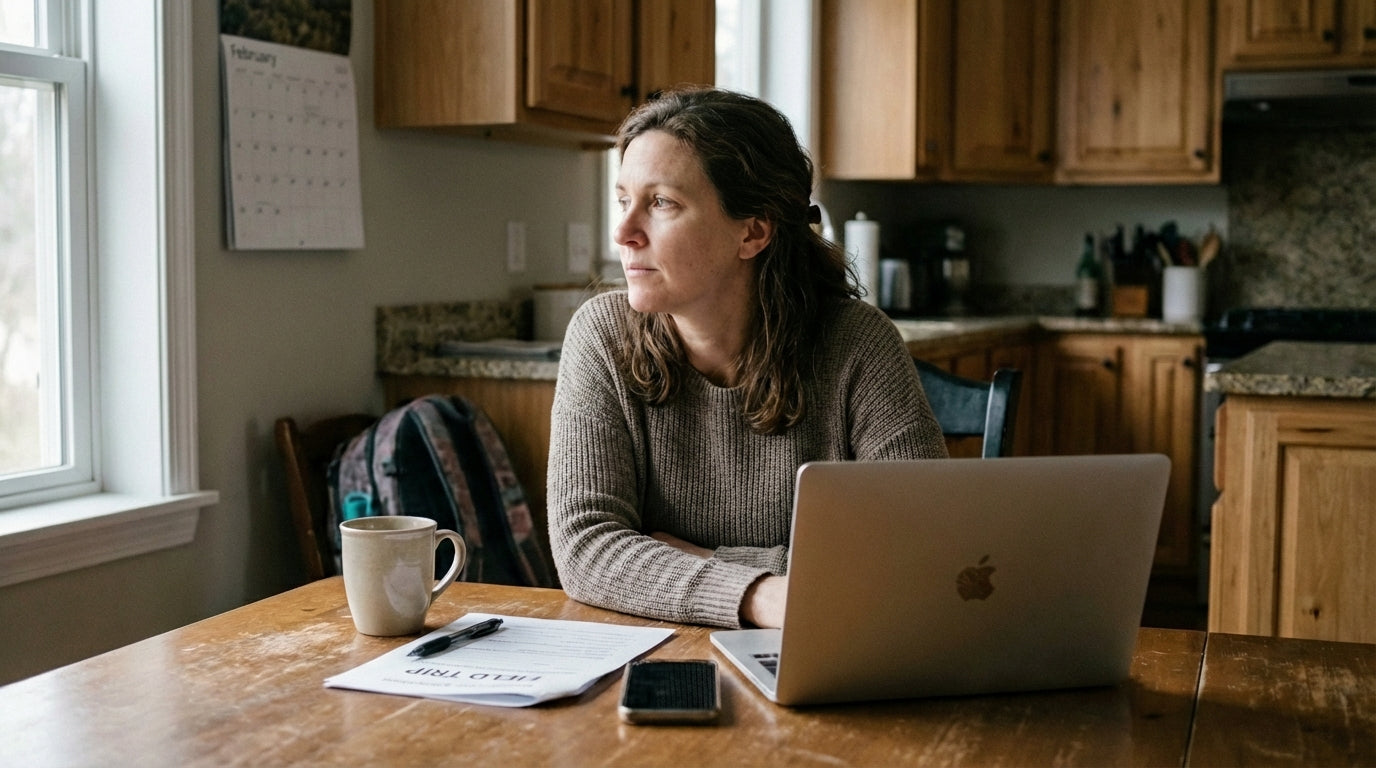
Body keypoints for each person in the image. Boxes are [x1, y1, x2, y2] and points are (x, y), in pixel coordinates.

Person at [547, 88, 947, 630]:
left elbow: (919, 548)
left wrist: (705, 560)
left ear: (753, 231)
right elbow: (587, 549)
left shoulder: (858, 344)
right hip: (652, 658)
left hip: (823, 652)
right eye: (623, 200)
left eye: (661, 202)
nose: (623, 232)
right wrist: (761, 594)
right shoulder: (600, 336)